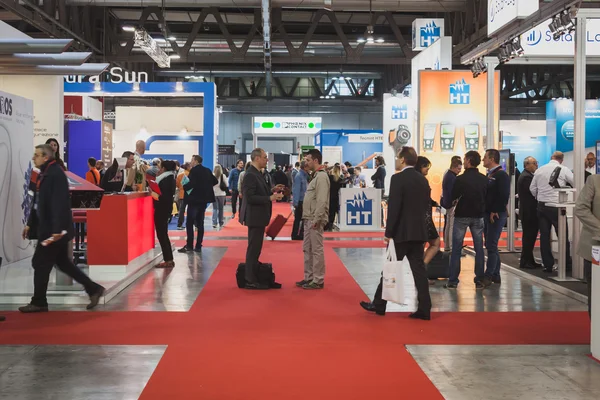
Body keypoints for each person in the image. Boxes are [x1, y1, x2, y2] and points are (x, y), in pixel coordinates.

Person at [20, 144, 105, 313]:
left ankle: (39, 302)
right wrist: (30, 223)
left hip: (54, 230)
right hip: (50, 228)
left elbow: (59, 203)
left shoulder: (55, 173)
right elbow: (38, 202)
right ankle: (93, 289)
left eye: (37, 155)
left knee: (40, 262)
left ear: (46, 157)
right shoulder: (43, 173)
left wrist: (57, 230)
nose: (33, 157)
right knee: (63, 263)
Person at [360, 147, 432, 320]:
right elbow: (426, 207)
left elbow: (395, 207)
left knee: (390, 268)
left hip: (401, 233)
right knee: (419, 271)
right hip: (419, 233)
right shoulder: (423, 180)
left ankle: (379, 304)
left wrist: (389, 231)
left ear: (402, 160)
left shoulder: (398, 178)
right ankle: (424, 308)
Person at [241, 148, 283, 289]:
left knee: (256, 248)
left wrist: (272, 190)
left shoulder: (257, 174)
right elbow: (250, 197)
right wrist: (270, 197)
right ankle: (250, 279)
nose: (267, 159)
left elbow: (258, 191)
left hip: (259, 216)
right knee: (253, 248)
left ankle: (253, 276)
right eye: (265, 157)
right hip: (254, 217)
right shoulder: (250, 175)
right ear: (257, 158)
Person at [445, 151, 488, 289]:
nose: (463, 162)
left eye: (464, 160)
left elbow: (453, 197)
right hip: (478, 216)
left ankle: (453, 280)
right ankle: (479, 279)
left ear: (469, 161)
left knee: (456, 249)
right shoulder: (484, 179)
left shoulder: (460, 179)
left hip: (462, 216)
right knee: (479, 249)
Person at [530, 151, 574, 273]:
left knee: (544, 236)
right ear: (562, 160)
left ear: (551, 158)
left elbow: (532, 188)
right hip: (557, 207)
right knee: (562, 235)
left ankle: (547, 265)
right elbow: (576, 183)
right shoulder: (563, 169)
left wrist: (540, 197)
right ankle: (565, 264)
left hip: (542, 206)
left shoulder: (540, 170)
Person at [296, 149, 330, 290]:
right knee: (307, 249)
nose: (306, 162)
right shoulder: (315, 176)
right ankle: (309, 277)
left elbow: (322, 200)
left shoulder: (321, 177)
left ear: (316, 160)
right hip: (308, 217)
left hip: (314, 218)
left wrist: (317, 218)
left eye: (308, 160)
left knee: (316, 249)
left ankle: (318, 279)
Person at [482, 149, 510, 286]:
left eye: (485, 157)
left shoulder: (501, 175)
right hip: (488, 213)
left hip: (496, 214)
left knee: (491, 245)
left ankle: (488, 275)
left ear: (492, 159)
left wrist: (495, 210)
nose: (483, 160)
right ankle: (496, 275)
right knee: (490, 244)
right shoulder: (490, 174)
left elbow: (504, 195)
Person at [178, 155, 218, 253]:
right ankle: (198, 245)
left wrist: (185, 186)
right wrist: (205, 187)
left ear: (195, 161)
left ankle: (189, 245)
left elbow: (191, 184)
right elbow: (215, 181)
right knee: (200, 223)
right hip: (203, 201)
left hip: (194, 200)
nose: (191, 162)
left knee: (189, 222)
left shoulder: (194, 171)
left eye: (192, 160)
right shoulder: (207, 170)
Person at [574, 173, 600, 318]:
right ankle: (596, 336)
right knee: (596, 296)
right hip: (595, 246)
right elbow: (581, 209)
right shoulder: (594, 180)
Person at [415, 157, 440, 267]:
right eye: (425, 166)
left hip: (421, 218)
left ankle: (421, 270)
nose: (427, 169)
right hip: (424, 218)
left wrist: (434, 203)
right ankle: (422, 269)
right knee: (434, 243)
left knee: (422, 246)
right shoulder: (421, 180)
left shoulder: (416, 179)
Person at [517, 156, 542, 269]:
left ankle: (529, 260)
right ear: (527, 164)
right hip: (529, 212)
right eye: (534, 163)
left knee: (530, 238)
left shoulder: (527, 176)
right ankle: (525, 261)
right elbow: (532, 193)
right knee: (528, 238)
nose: (536, 165)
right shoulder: (527, 177)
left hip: (528, 211)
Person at [152, 160, 176, 268]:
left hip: (162, 208)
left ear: (164, 168)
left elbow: (162, 196)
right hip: (165, 208)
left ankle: (168, 260)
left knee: (162, 234)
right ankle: (169, 259)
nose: (159, 169)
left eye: (160, 167)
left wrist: (152, 193)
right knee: (163, 234)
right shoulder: (170, 178)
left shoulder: (165, 179)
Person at [440, 156, 462, 250]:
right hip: (450, 204)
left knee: (448, 225)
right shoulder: (451, 177)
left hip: (447, 203)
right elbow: (450, 192)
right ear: (453, 166)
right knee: (451, 226)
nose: (459, 171)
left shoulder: (448, 174)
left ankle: (447, 246)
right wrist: (453, 202)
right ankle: (451, 247)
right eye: (458, 168)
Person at [292, 161, 309, 240]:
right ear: (305, 167)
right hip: (300, 201)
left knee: (303, 218)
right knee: (298, 219)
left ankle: (300, 234)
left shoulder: (305, 176)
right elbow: (296, 190)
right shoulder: (299, 176)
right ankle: (295, 235)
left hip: (304, 200)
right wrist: (295, 202)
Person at [325, 165, 343, 231]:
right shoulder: (340, 179)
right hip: (336, 197)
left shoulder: (329, 177)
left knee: (327, 211)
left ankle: (326, 225)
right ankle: (330, 224)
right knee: (333, 212)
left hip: (328, 196)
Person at [176, 163, 190, 230]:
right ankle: (193, 224)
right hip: (190, 194)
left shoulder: (180, 175)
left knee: (181, 210)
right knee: (191, 210)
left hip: (182, 194)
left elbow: (177, 185)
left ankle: (179, 224)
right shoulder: (190, 174)